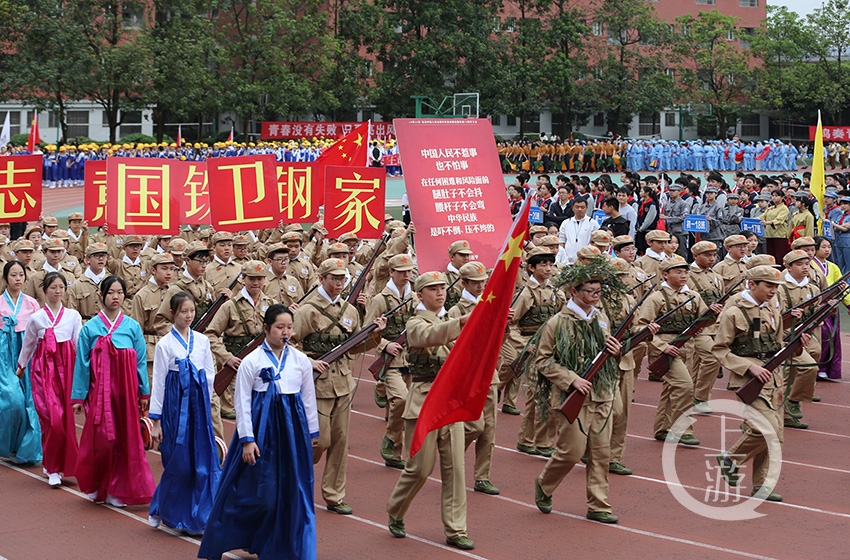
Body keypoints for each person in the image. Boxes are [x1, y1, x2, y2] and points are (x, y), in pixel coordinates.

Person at [199, 305, 319, 560]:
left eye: (289, 327)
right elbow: (242, 403)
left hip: (292, 434)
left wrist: (310, 435)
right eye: (279, 327)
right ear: (266, 328)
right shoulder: (252, 361)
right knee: (253, 492)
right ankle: (229, 537)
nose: (285, 332)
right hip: (261, 434)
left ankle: (289, 546)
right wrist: (247, 440)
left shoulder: (300, 361)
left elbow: (308, 399)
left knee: (294, 490)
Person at [386, 271, 473, 549]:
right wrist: (461, 323)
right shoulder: (415, 322)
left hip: (450, 402)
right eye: (432, 289)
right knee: (419, 469)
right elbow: (428, 336)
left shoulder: (452, 320)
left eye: (442, 288)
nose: (440, 292)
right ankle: (396, 510)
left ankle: (456, 529)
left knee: (456, 469)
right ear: (420, 294)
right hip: (424, 402)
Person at [292, 258, 386, 516]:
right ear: (321, 279)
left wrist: (374, 334)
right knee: (318, 441)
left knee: (340, 442)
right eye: (334, 278)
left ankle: (334, 495)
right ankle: (295, 478)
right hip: (317, 384)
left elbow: (355, 345)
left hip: (343, 383)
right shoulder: (308, 311)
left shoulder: (350, 310)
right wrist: (309, 361)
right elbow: (289, 343)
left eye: (342, 279)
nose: (338, 283)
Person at [532, 259, 622, 523]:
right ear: (574, 291)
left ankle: (598, 504)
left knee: (601, 453)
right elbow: (543, 360)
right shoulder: (558, 322)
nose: (596, 296)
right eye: (590, 292)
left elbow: (605, 355)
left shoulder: (601, 318)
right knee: (571, 452)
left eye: (598, 291)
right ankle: (545, 484)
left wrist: (615, 352)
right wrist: (570, 379)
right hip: (573, 396)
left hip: (602, 394)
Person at [71, 276, 155, 506]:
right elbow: (82, 364)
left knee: (124, 441)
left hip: (126, 396)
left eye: (120, 292)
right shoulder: (89, 329)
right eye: (111, 292)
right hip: (99, 394)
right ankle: (98, 483)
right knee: (100, 441)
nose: (116, 297)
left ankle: (118, 488)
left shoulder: (132, 327)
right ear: (101, 296)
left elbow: (140, 361)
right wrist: (78, 397)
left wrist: (143, 393)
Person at [715, 266, 790, 502]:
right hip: (748, 378)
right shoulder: (734, 313)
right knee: (763, 428)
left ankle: (762, 485)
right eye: (768, 285)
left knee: (775, 435)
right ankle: (731, 459)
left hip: (772, 376)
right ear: (752, 285)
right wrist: (749, 366)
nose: (773, 290)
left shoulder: (771, 310)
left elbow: (773, 343)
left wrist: (794, 343)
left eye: (776, 286)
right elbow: (719, 349)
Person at [148, 292, 221, 535]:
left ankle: (198, 516)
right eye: (183, 312)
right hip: (174, 405)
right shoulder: (165, 344)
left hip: (198, 407)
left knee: (202, 462)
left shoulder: (202, 340)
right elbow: (158, 381)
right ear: (172, 314)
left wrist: (207, 401)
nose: (188, 316)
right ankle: (162, 507)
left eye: (191, 311)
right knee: (178, 461)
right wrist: (155, 420)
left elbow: (209, 372)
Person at [17, 272, 82, 486]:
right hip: (44, 371)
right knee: (52, 419)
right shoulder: (37, 318)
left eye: (60, 287)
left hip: (68, 369)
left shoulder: (73, 316)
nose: (57, 291)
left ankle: (61, 464)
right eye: (53, 287)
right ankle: (53, 467)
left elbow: (77, 345)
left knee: (66, 421)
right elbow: (28, 343)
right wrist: (22, 365)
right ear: (45, 290)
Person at [636, 256, 708, 445]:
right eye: (678, 272)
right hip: (665, 349)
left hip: (687, 347)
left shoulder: (693, 296)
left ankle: (662, 428)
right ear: (665, 274)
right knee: (685, 386)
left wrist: (713, 314)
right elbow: (641, 328)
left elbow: (704, 321)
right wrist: (662, 346)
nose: (683, 275)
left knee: (671, 389)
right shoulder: (656, 298)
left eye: (685, 271)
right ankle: (682, 429)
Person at [364, 254, 416, 470]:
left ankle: (396, 453)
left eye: (409, 271)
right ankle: (392, 438)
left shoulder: (415, 298)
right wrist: (384, 344)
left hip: (411, 358)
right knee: (402, 399)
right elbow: (366, 331)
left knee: (410, 405)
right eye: (402, 271)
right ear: (391, 272)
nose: (407, 275)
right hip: (389, 359)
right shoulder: (380, 300)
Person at [0, 260, 43, 465]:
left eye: (21, 275)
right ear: (5, 278)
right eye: (13, 275)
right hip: (5, 357)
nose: (18, 279)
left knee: (30, 401)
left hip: (28, 353)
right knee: (13, 400)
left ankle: (26, 448)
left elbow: (38, 332)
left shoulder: (32, 303)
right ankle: (9, 444)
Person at [812, 237, 847, 381]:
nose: (827, 250)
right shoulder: (810, 266)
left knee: (833, 337)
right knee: (824, 335)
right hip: (818, 306)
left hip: (832, 306)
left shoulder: (833, 267)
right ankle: (817, 367)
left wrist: (848, 303)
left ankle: (827, 369)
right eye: (824, 247)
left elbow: (843, 287)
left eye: (829, 247)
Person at [558, 197, 599, 264]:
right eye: (577, 207)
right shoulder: (566, 223)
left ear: (587, 208)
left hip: (586, 261)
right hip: (568, 261)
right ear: (572, 208)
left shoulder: (593, 223)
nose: (579, 209)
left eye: (582, 207)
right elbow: (561, 242)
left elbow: (596, 243)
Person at [761, 189, 790, 263]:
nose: (774, 198)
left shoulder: (784, 208)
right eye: (773, 196)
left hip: (779, 235)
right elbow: (762, 217)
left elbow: (779, 220)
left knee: (780, 256)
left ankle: (781, 271)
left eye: (776, 196)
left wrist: (767, 223)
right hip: (769, 234)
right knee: (771, 255)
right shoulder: (770, 208)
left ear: (782, 197)